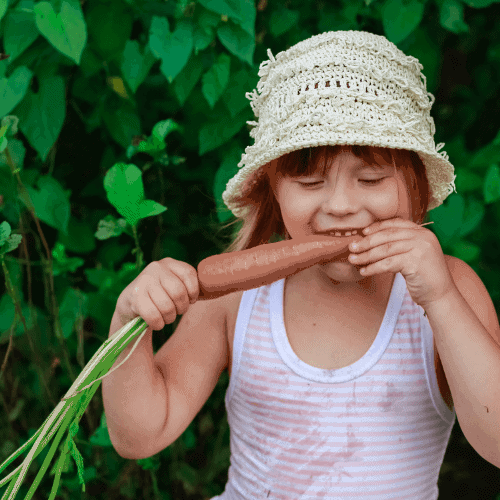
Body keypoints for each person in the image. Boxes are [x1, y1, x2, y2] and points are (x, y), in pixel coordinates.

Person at [103, 31, 500, 499]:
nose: (341, 205)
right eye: (309, 181)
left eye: (371, 178)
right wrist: (129, 320)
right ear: (272, 189)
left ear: (414, 182)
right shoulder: (238, 294)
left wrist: (441, 299)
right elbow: (141, 434)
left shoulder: (448, 289)